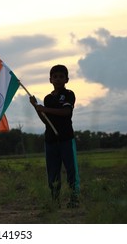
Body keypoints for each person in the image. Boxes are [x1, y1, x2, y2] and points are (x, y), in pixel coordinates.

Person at [29, 65, 80, 208]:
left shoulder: (69, 94)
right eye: (55, 77)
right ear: (50, 79)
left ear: (67, 79)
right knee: (52, 172)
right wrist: (36, 107)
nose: (58, 79)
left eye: (61, 76)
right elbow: (46, 120)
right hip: (51, 140)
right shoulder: (48, 98)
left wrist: (44, 109)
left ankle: (74, 199)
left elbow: (66, 112)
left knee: (71, 170)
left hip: (66, 139)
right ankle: (55, 201)